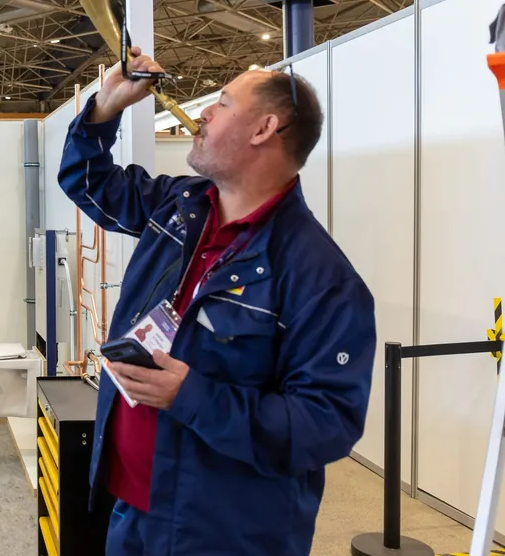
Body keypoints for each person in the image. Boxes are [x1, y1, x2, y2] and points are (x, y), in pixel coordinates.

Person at [57, 47, 377, 556]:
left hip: (222, 535)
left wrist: (191, 396)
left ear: (264, 129)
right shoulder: (180, 206)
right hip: (131, 512)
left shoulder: (320, 277)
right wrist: (105, 107)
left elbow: (326, 425)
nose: (204, 112)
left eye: (223, 103)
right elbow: (87, 181)